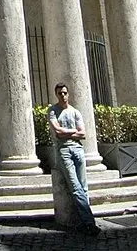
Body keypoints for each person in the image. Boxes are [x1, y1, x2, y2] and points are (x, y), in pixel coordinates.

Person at [47, 83, 100, 235]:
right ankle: (90, 223)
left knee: (83, 187)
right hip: (64, 150)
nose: (62, 95)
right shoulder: (52, 111)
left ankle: (83, 222)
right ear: (56, 95)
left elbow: (83, 134)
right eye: (59, 93)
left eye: (64, 93)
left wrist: (66, 132)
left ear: (68, 94)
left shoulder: (75, 112)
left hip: (78, 149)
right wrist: (73, 132)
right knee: (76, 187)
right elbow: (57, 131)